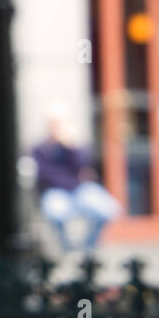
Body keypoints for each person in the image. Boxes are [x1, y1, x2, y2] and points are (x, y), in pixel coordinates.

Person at [31, 102, 120, 252]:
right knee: (55, 212)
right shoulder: (40, 149)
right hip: (56, 191)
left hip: (80, 190)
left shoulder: (74, 146)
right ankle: (66, 247)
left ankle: (88, 247)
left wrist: (71, 146)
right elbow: (44, 174)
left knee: (110, 210)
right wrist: (71, 179)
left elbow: (84, 166)